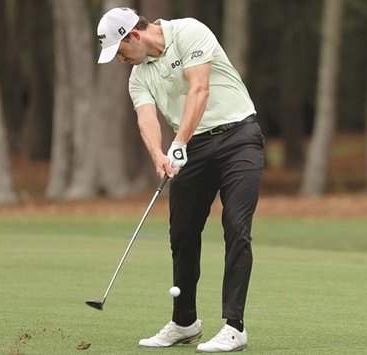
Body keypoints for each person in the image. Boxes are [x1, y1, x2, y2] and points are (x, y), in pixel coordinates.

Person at [96, 7, 264, 353]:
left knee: (235, 225)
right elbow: (146, 118)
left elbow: (199, 89)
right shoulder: (138, 75)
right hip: (191, 148)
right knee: (183, 233)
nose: (120, 60)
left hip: (239, 138)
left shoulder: (188, 31)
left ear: (135, 36)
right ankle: (184, 323)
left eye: (120, 50)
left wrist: (178, 143)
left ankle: (234, 327)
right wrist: (158, 154)